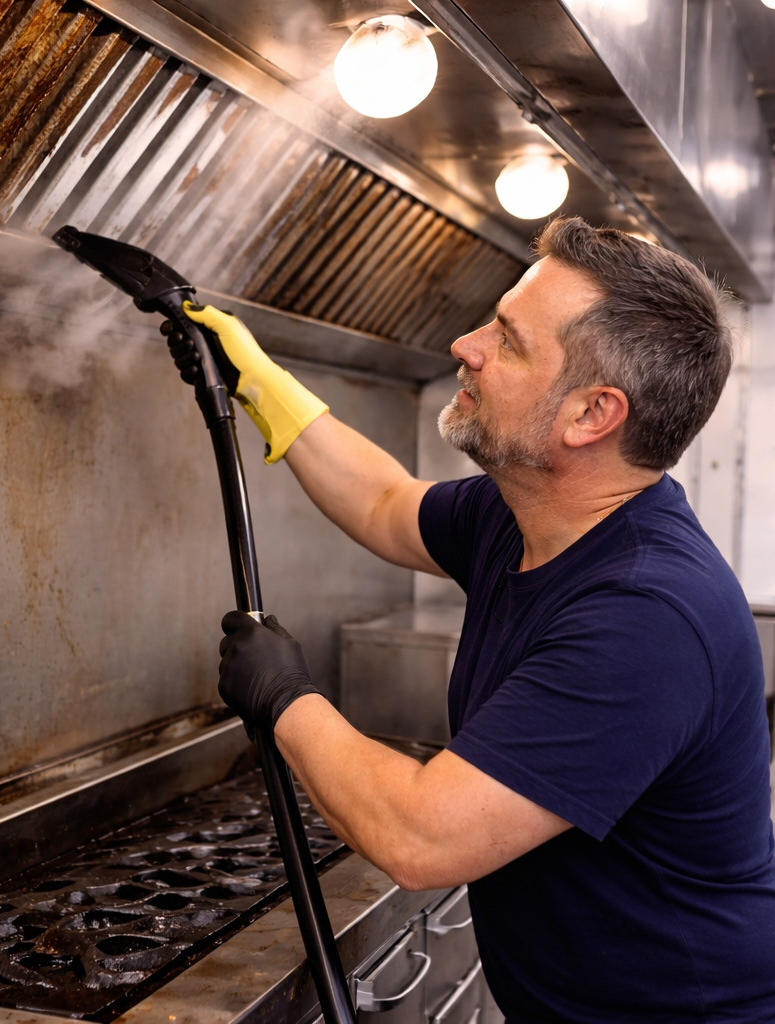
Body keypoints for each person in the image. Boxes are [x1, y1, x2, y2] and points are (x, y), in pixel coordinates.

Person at [168, 216, 775, 1023]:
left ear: (592, 414)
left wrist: (283, 696)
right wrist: (253, 376)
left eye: (510, 341)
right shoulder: (526, 513)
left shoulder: (644, 616)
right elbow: (386, 504)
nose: (466, 343)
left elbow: (424, 837)